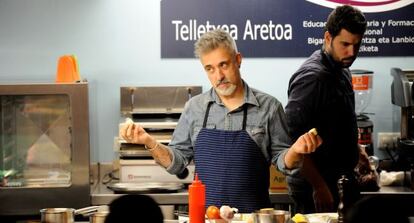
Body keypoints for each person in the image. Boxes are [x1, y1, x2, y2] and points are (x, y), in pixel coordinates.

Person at [120, 29, 322, 213]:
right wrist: (149, 142)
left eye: (223, 65)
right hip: (205, 218)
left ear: (238, 60)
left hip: (251, 218)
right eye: (210, 68)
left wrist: (295, 151)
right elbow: (177, 164)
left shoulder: (269, 107)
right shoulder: (195, 108)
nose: (218, 76)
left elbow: (282, 163)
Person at [283, 5, 367, 214]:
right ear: (328, 38)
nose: (351, 52)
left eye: (356, 45)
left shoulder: (341, 68)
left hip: (339, 181)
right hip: (316, 188)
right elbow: (292, 139)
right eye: (345, 44)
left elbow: (334, 123)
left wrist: (355, 150)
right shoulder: (312, 78)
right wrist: (319, 186)